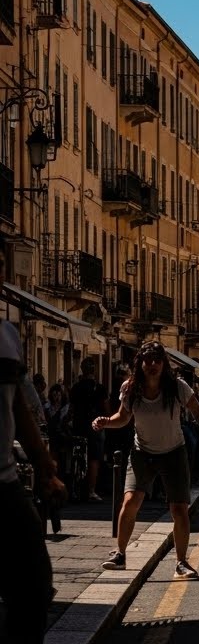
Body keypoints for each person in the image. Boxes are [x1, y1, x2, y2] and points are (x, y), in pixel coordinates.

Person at [93, 340, 199, 579]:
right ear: (140, 363)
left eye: (157, 360)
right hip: (142, 452)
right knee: (130, 501)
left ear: (163, 364)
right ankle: (120, 554)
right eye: (148, 360)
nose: (152, 364)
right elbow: (123, 417)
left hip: (174, 452)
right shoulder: (130, 388)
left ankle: (181, 563)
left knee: (179, 508)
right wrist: (106, 422)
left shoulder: (177, 387)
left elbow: (198, 413)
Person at [0, 248, 66, 644]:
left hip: (3, 482)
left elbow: (21, 409)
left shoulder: (7, 336)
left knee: (35, 585)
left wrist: (45, 466)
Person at [68, 358, 108, 502]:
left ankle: (74, 488)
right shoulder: (100, 388)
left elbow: (71, 407)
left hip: (79, 425)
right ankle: (91, 490)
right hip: (95, 426)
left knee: (75, 454)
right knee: (94, 458)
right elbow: (106, 408)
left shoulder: (76, 387)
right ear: (94, 370)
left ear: (82, 369)